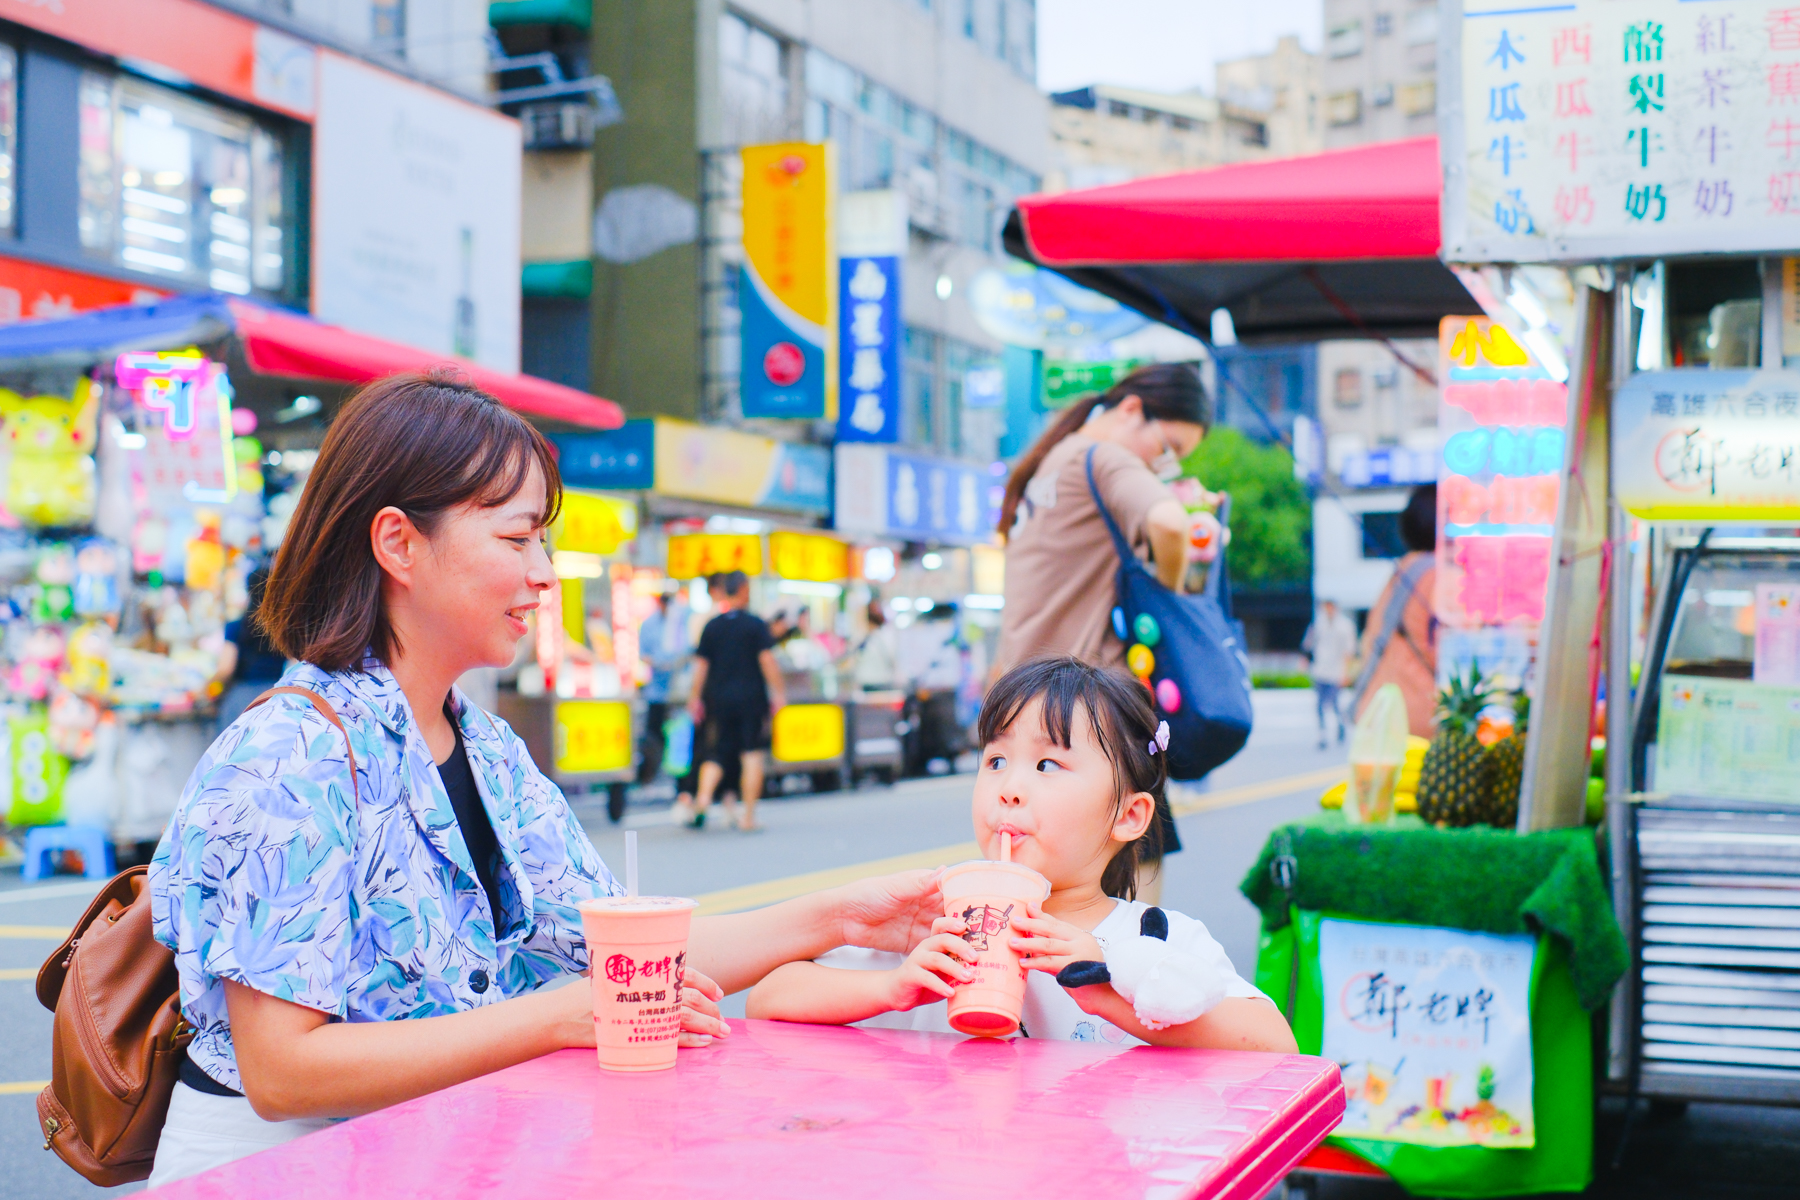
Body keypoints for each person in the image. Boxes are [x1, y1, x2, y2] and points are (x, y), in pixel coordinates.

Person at [145, 373, 944, 1186]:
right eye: (518, 538)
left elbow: (623, 956)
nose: (544, 575)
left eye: (543, 542)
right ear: (398, 544)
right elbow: (284, 1075)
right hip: (277, 1168)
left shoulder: (485, 746)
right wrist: (559, 1018)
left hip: (417, 1154)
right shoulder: (289, 754)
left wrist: (845, 916)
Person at [748, 657, 1296, 1054]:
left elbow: (1274, 1045)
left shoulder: (1153, 939)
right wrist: (890, 988)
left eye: (1048, 766)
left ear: (1128, 816)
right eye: (995, 762)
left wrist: (1109, 986)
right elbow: (768, 999)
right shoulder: (939, 926)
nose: (1009, 788)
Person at [993, 362, 1211, 902]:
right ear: (1133, 409)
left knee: (1040, 886)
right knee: (1132, 902)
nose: (1164, 464)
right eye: (1168, 448)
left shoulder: (1050, 464)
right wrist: (1172, 584)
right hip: (1091, 711)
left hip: (1024, 704)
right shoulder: (1105, 457)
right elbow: (1168, 521)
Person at [683, 570, 786, 831]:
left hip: (718, 700)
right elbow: (767, 661)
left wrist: (695, 698)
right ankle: (748, 817)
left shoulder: (713, 626)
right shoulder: (755, 624)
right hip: (751, 700)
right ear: (742, 589)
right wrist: (779, 693)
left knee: (716, 752)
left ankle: (703, 799)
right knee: (751, 754)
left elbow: (701, 667)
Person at [1352, 484, 1439, 738]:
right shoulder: (1440, 577)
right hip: (1423, 722)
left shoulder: (1400, 573)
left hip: (1379, 716)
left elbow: (1369, 643)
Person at [211, 564, 285, 733]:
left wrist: (205, 688)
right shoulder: (282, 628)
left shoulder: (237, 626)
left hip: (243, 700)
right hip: (275, 698)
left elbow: (226, 669)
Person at [636, 586, 690, 783]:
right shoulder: (649, 624)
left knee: (678, 734)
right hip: (657, 690)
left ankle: (678, 777)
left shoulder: (681, 621)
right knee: (654, 735)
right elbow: (642, 653)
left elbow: (690, 651)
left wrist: (677, 663)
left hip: (678, 691)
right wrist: (659, 663)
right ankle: (652, 773)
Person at [1301, 598, 1358, 748]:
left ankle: (1340, 725)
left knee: (1333, 703)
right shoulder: (1318, 624)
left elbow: (1349, 652)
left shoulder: (1345, 626)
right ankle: (1322, 733)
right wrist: (1306, 660)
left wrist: (1346, 673)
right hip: (1321, 669)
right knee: (1319, 704)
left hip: (1336, 670)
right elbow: (1308, 644)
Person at [853, 600, 898, 691]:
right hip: (866, 682)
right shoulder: (863, 637)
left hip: (881, 683)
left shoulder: (883, 637)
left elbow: (892, 659)